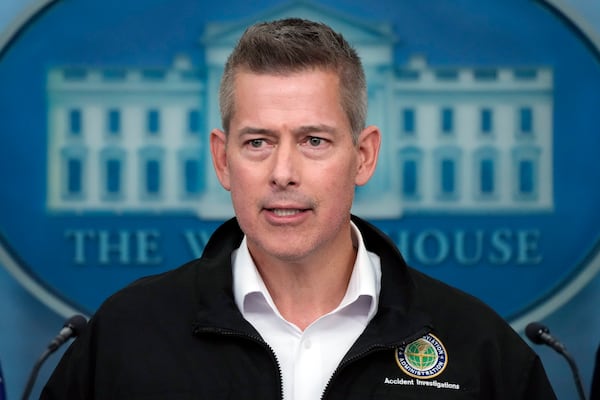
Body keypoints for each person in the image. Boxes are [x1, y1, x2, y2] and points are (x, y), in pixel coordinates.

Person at [41, 18, 557, 399]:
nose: (283, 171)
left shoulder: (479, 349)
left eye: (313, 140)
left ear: (363, 156)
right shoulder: (125, 337)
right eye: (258, 142)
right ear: (223, 160)